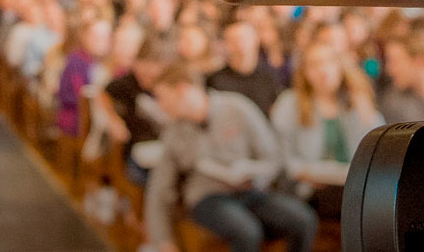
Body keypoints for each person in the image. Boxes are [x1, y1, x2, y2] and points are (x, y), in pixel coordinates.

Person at [145, 65, 317, 252]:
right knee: (246, 231)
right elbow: (159, 189)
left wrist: (255, 175)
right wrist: (163, 240)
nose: (160, 106)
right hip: (208, 198)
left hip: (250, 191)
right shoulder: (173, 131)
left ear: (182, 89)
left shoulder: (237, 108)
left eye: (162, 97)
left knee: (303, 220)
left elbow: (273, 157)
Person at [269, 42, 384, 218]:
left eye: (329, 62)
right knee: (358, 204)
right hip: (310, 190)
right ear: (304, 72)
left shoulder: (355, 101)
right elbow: (286, 162)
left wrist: (363, 109)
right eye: (314, 65)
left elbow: (379, 151)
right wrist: (326, 174)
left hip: (354, 185)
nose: (323, 71)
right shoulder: (290, 103)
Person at [97, 39, 174, 186]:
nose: (148, 73)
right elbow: (103, 94)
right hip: (135, 153)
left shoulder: (165, 87)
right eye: (143, 65)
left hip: (162, 150)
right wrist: (113, 120)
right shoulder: (127, 83)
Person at [208, 22, 284, 116]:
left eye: (244, 39)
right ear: (225, 45)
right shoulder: (215, 80)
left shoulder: (270, 76)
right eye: (233, 40)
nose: (240, 45)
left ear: (256, 40)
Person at [56, 19, 112, 137]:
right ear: (84, 37)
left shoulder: (108, 63)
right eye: (96, 38)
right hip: (76, 116)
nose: (101, 43)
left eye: (105, 38)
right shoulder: (76, 61)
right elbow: (80, 96)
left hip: (96, 114)